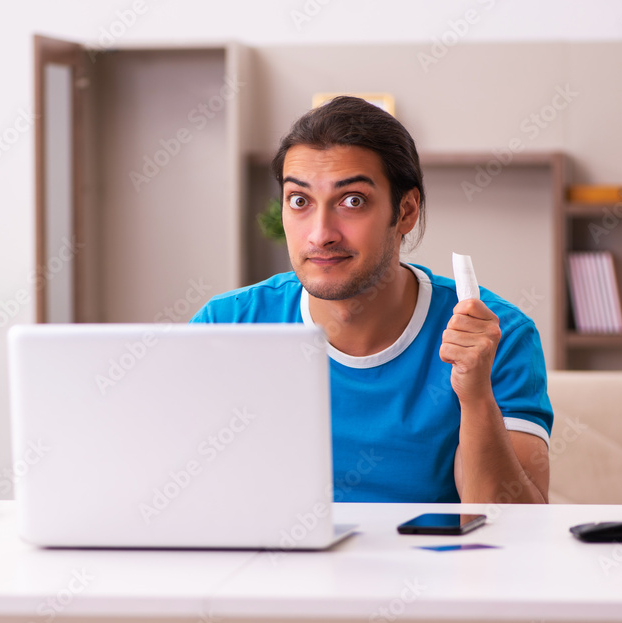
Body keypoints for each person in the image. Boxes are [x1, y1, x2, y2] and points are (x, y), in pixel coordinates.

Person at [190, 96, 552, 504]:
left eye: (353, 201)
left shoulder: (494, 336)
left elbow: (509, 529)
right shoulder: (225, 326)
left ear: (406, 211)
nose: (321, 234)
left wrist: (476, 397)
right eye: (299, 201)